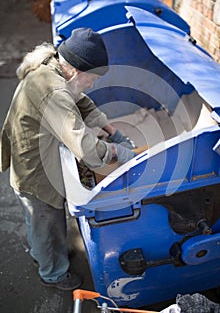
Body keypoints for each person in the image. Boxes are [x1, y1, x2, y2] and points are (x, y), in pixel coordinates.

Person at [0, 28, 136, 291]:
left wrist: (110, 130)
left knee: (46, 221)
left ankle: (50, 253)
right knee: (45, 223)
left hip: (30, 159)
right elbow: (85, 148)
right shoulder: (55, 92)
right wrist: (119, 153)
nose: (93, 84)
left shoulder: (53, 69)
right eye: (93, 78)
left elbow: (80, 100)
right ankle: (52, 272)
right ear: (77, 71)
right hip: (35, 172)